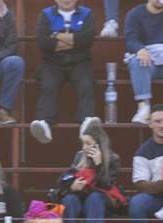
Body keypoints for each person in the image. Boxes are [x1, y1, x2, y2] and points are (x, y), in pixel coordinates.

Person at [30, 0, 99, 145]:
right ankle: (44, 123)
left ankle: (86, 123)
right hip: (52, 62)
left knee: (86, 84)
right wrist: (75, 41)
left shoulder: (87, 14)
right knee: (48, 85)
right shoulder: (46, 14)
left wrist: (56, 36)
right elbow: (43, 42)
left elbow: (88, 39)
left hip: (80, 61)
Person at [60, 119, 123, 223]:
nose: (84, 147)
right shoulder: (79, 156)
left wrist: (99, 164)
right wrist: (72, 186)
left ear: (98, 143)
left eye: (88, 143)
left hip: (101, 201)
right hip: (81, 198)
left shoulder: (112, 158)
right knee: (69, 199)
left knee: (95, 197)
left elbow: (106, 185)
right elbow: (65, 178)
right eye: (83, 143)